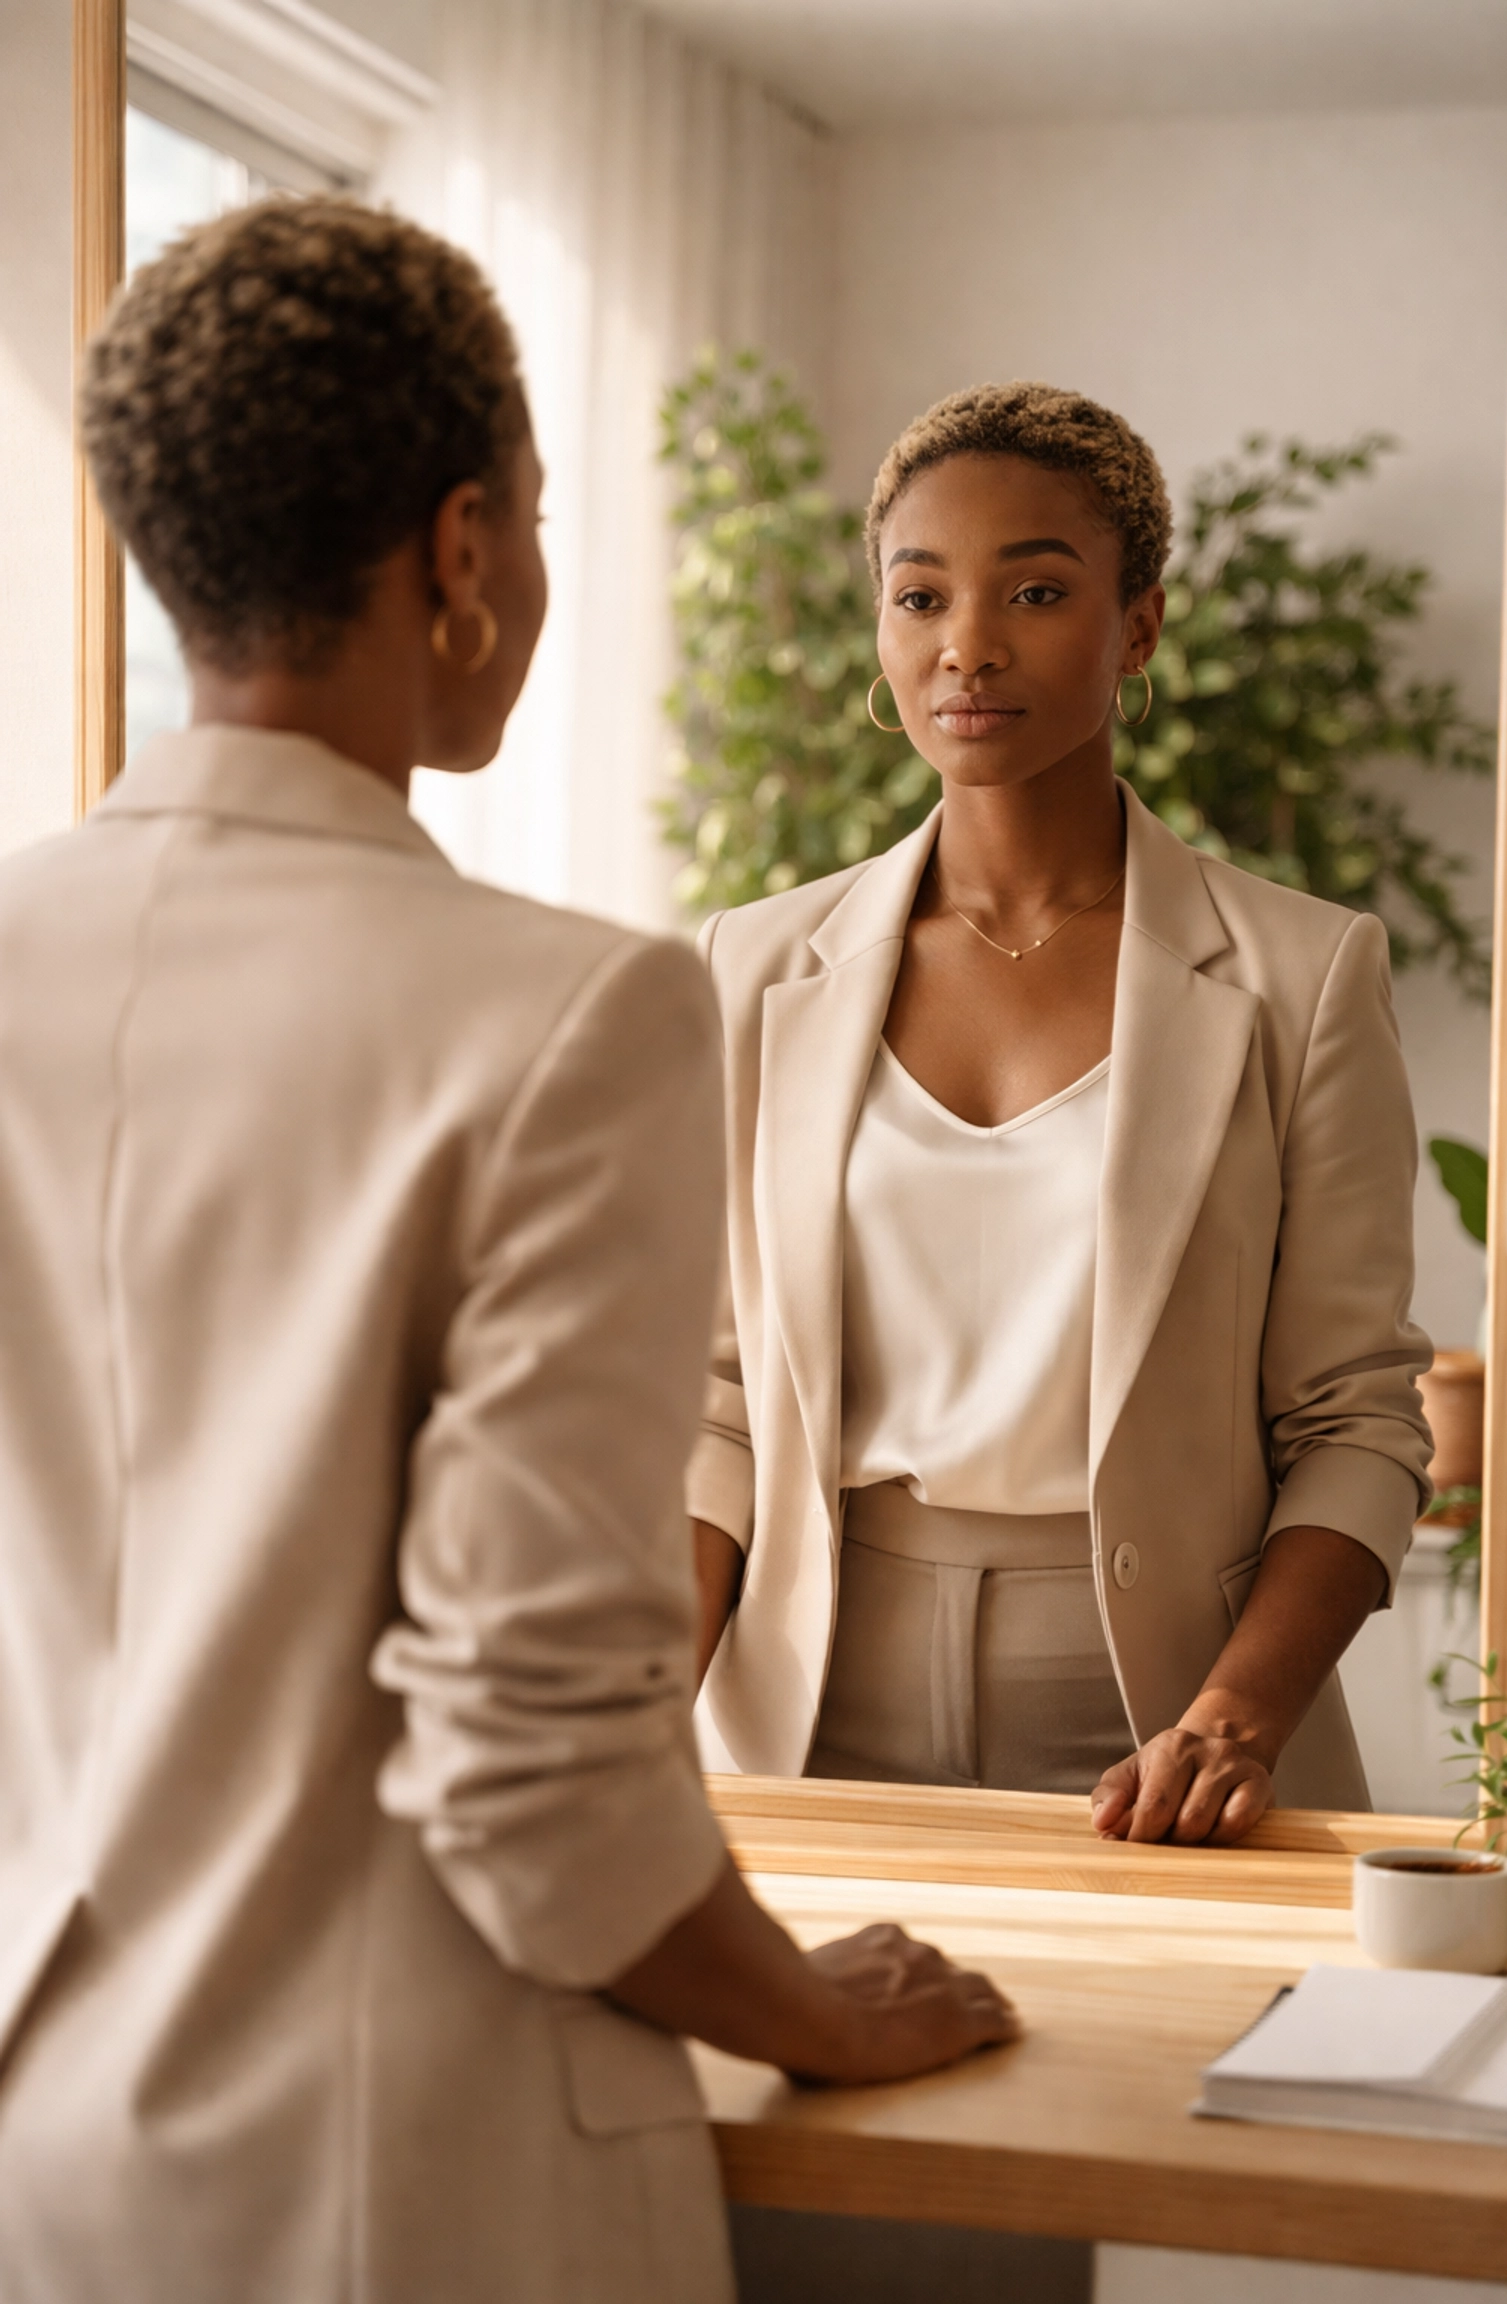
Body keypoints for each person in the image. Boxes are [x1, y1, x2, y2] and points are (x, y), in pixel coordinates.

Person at [0, 201, 1017, 2304]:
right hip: (406, 2176)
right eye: (537, 516)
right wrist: (814, 2015)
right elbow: (533, 1756)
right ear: (460, 551)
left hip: (50, 2147)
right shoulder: (565, 1014)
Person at [688, 382, 1433, 1843]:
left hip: (1160, 1717)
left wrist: (1235, 1715)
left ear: (1138, 627)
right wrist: (627, 1699)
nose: (967, 643)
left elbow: (1355, 1418)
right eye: (920, 596)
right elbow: (711, 1399)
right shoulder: (753, 965)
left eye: (1036, 589)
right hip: (810, 1700)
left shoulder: (1301, 974)